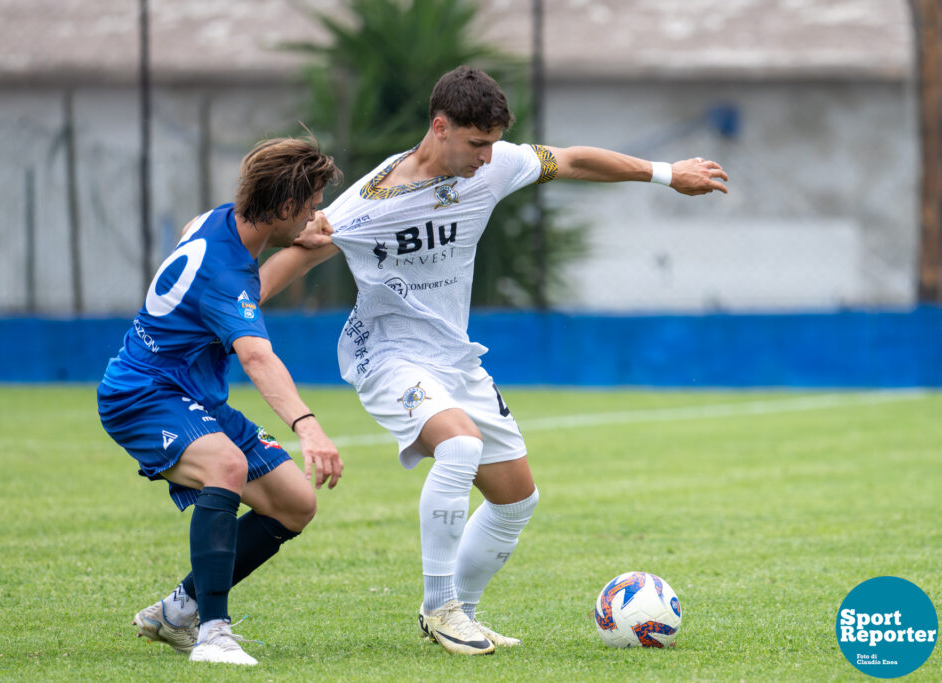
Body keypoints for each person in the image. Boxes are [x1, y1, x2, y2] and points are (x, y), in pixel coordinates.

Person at [257, 66, 728, 656]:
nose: (487, 157)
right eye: (477, 143)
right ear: (440, 127)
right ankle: (439, 607)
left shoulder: (496, 163)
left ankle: (465, 615)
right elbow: (281, 270)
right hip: (386, 353)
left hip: (453, 356)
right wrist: (220, 316)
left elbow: (574, 160)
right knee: (458, 446)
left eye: (493, 143)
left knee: (515, 499)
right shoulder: (364, 208)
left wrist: (665, 174)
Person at [97, 137, 344, 666]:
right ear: (282, 208)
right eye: (310, 205)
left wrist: (311, 244)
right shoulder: (226, 272)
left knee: (296, 503)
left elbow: (249, 292)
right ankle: (213, 633)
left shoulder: (217, 222)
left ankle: (177, 609)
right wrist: (308, 426)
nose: (315, 212)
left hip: (192, 397)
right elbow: (257, 357)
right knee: (227, 465)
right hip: (142, 395)